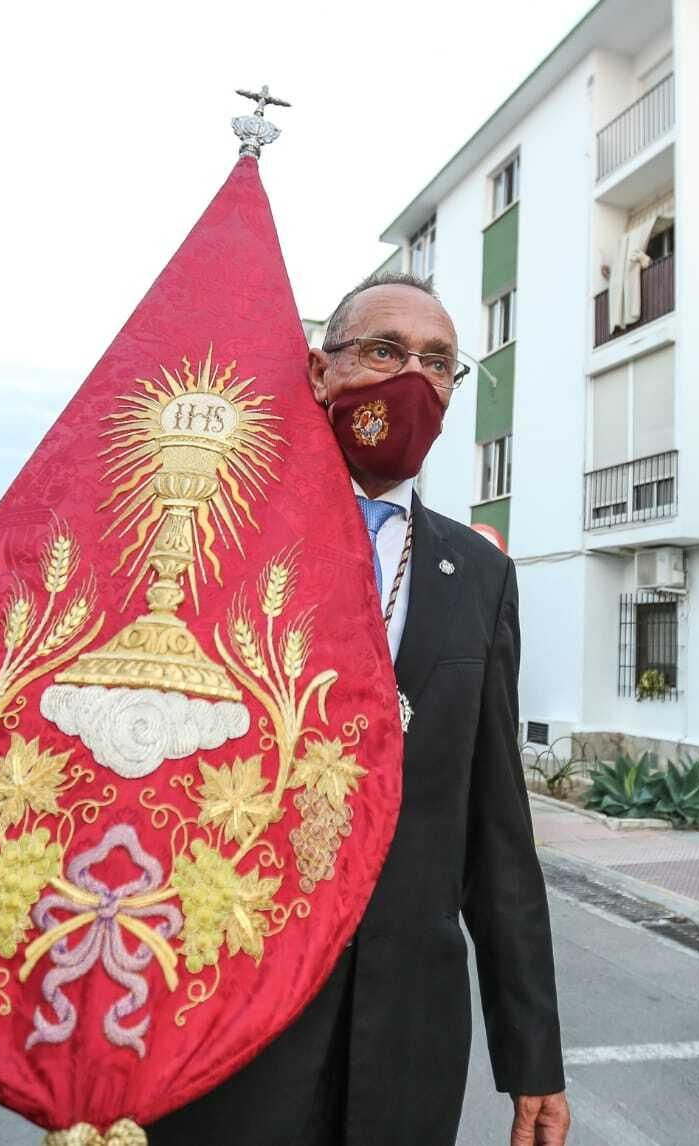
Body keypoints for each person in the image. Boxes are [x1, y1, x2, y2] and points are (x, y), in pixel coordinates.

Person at [147, 273, 569, 1146]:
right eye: (384, 351)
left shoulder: (478, 574)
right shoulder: (223, 537)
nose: (413, 379)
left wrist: (532, 1058)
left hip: (406, 1031)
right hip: (227, 1015)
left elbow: (497, 829)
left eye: (440, 363)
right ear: (319, 371)